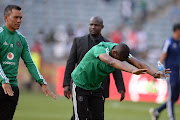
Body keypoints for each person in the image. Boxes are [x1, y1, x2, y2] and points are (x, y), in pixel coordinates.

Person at [71, 41, 170, 120]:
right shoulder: (100, 49)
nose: (121, 62)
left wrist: (155, 74)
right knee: (80, 117)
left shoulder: (120, 51)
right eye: (120, 59)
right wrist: (131, 70)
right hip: (80, 84)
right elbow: (111, 61)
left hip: (95, 87)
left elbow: (139, 64)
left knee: (98, 117)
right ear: (113, 52)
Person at [0, 5, 57, 120]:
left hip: (13, 87)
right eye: (16, 17)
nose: (19, 21)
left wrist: (42, 82)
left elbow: (30, 63)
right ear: (6, 18)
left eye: (20, 18)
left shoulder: (21, 39)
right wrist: (4, 80)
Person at [63, 16, 125, 120]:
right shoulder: (78, 41)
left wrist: (121, 87)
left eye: (96, 25)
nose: (93, 27)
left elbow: (115, 66)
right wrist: (66, 84)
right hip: (81, 85)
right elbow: (70, 63)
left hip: (99, 87)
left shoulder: (109, 45)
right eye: (91, 24)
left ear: (102, 27)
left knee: (97, 116)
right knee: (78, 115)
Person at [150, 23, 180, 120]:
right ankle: (172, 118)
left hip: (178, 74)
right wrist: (157, 73)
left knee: (175, 97)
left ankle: (157, 111)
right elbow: (162, 58)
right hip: (170, 74)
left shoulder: (179, 43)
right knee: (171, 97)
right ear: (176, 31)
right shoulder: (169, 42)